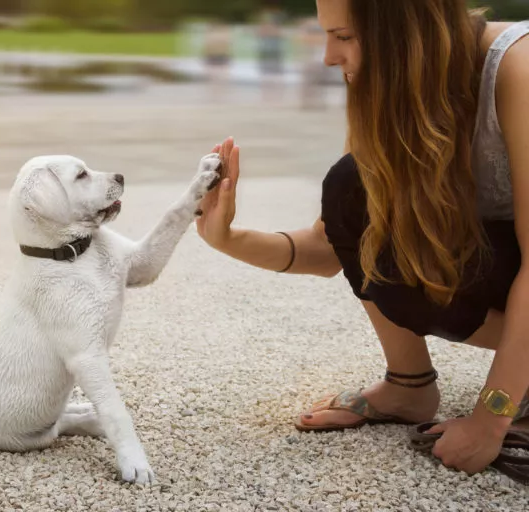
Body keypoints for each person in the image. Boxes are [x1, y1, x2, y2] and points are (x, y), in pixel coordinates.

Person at [197, 0, 529, 477]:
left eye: (346, 37)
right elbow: (333, 246)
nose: (328, 56)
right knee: (353, 188)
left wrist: (490, 419)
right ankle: (409, 385)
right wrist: (226, 237)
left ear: (409, 30)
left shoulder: (517, 65)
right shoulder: (397, 91)